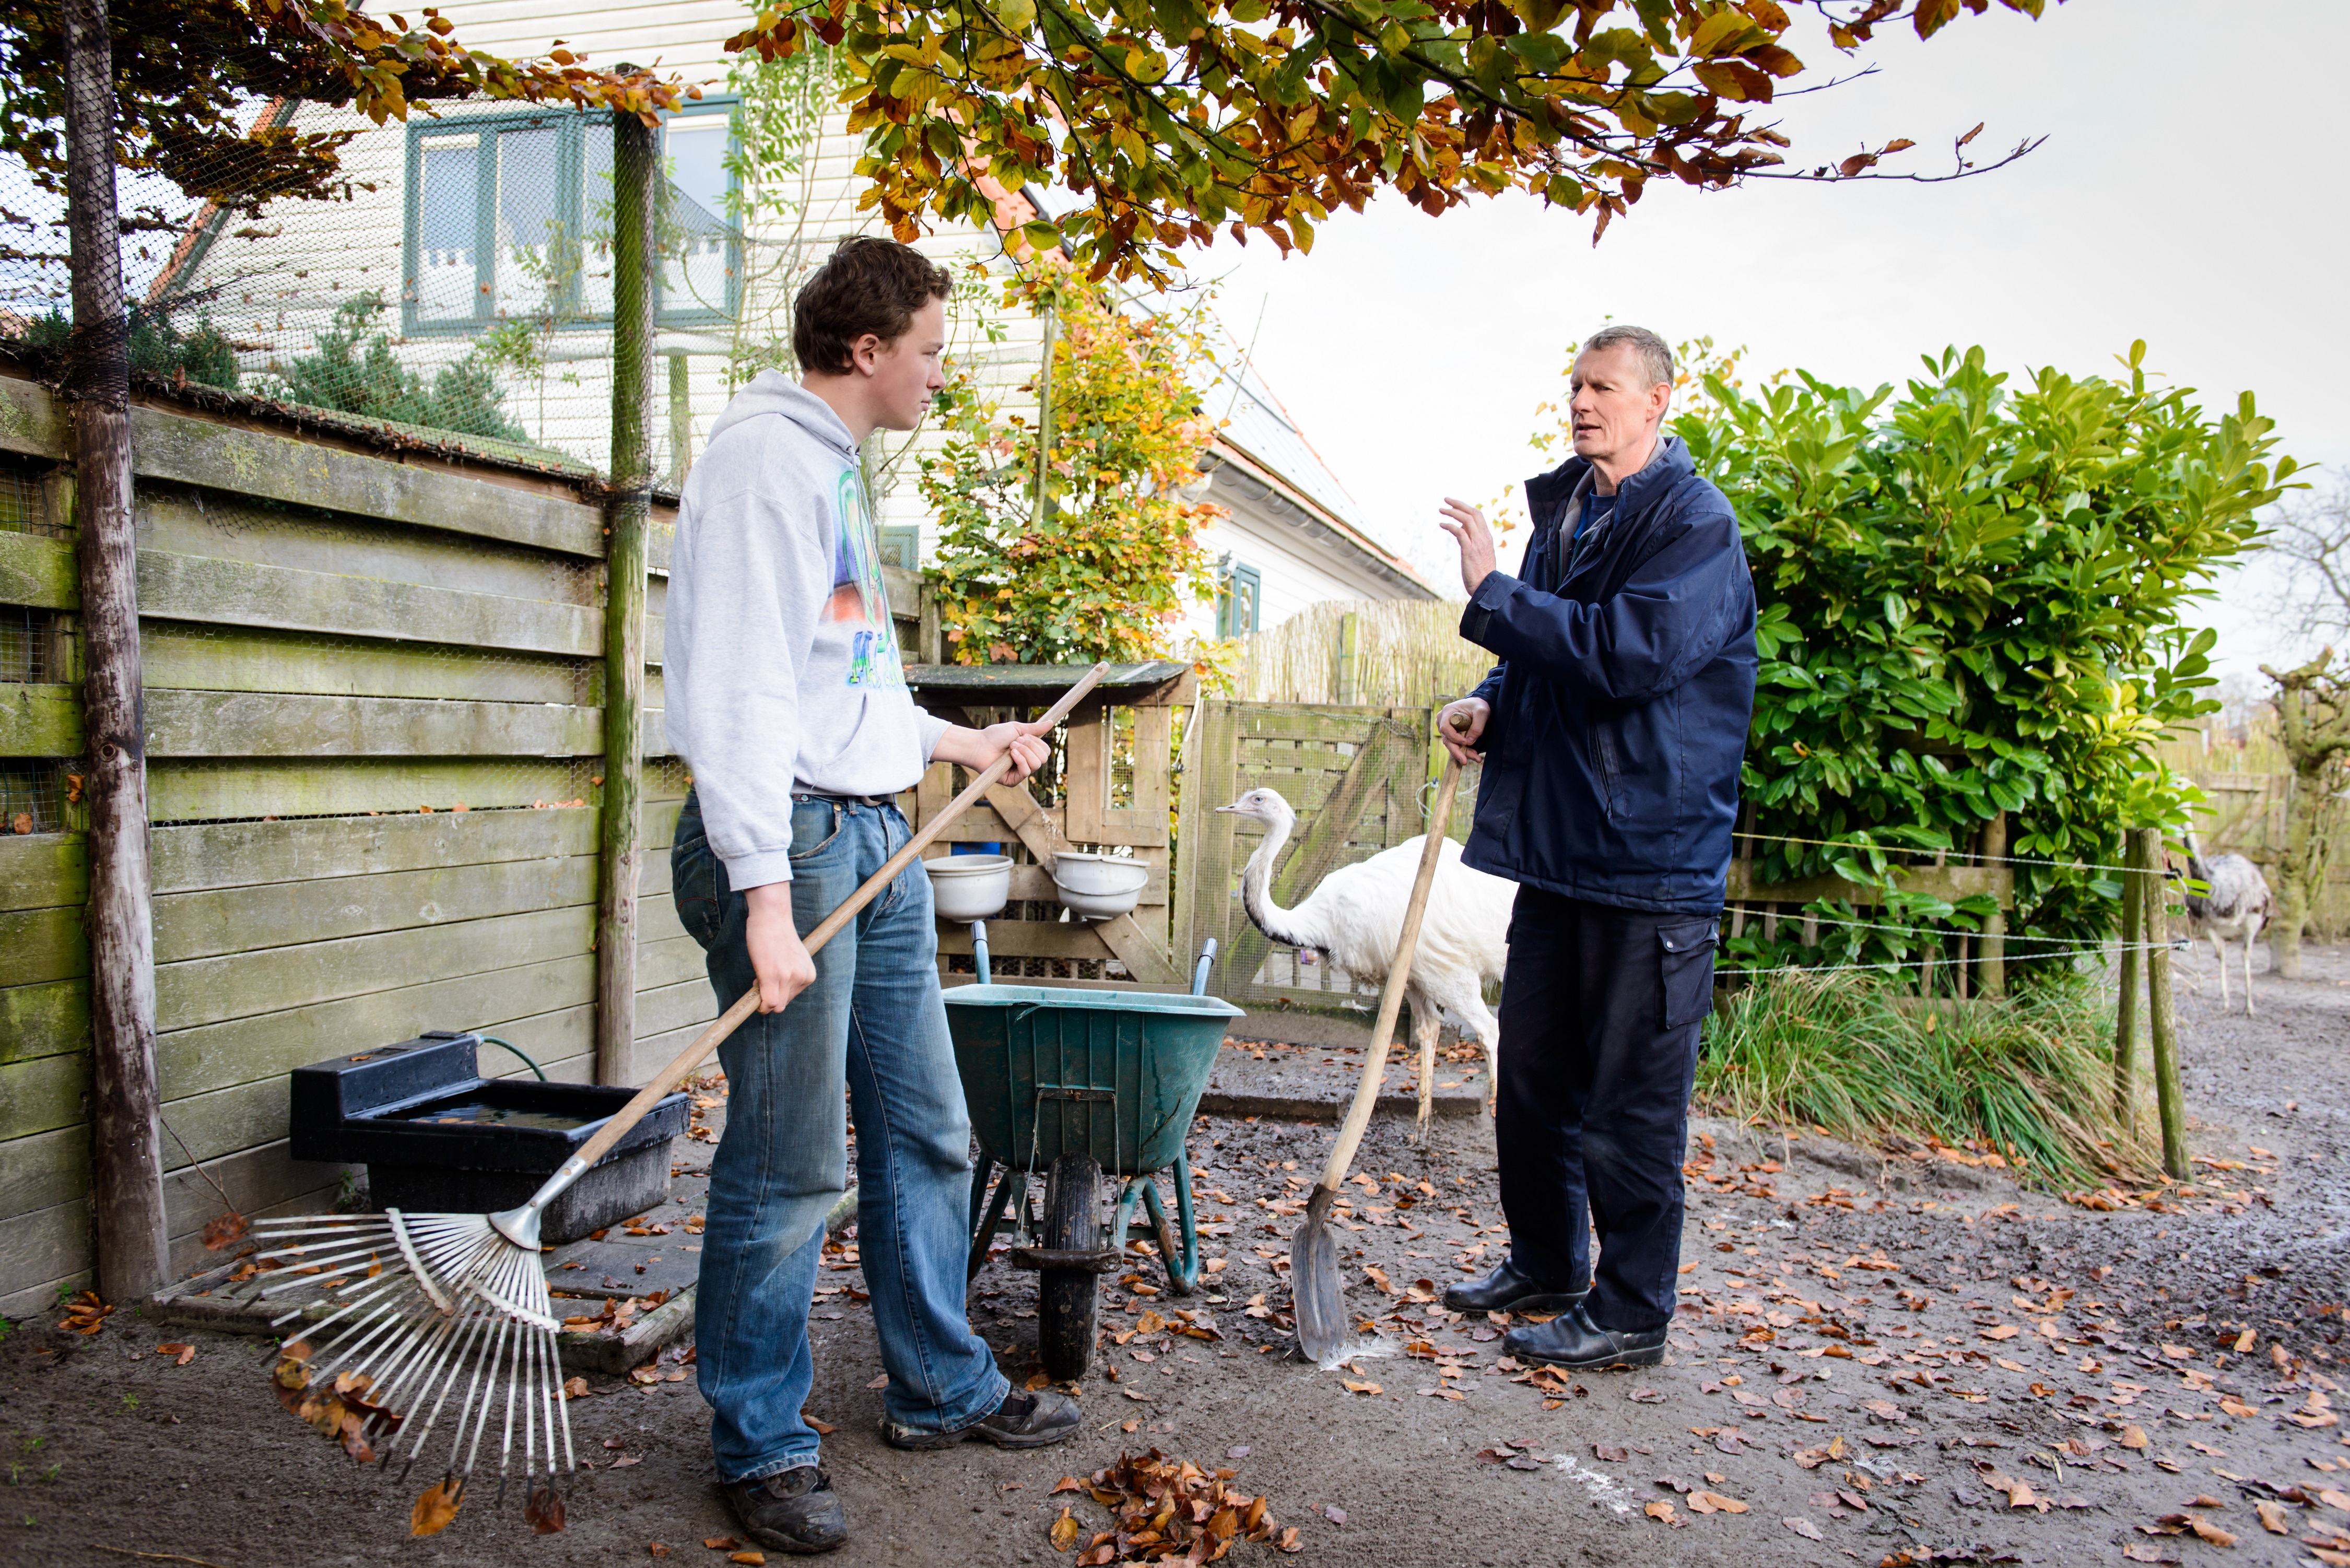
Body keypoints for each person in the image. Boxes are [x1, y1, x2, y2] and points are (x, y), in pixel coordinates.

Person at [665, 237, 1082, 1556]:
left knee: (928, 1125)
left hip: (870, 835)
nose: (939, 376)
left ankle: (938, 1382)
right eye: (933, 352)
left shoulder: (831, 467)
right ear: (867, 350)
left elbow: (839, 686)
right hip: (785, 843)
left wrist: (964, 745)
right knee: (792, 1165)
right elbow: (735, 698)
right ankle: (761, 1438)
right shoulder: (760, 463)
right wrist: (765, 901)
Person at [1432, 324, 1757, 1371]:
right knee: (1531, 1078)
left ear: (1661, 399)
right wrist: (1490, 702)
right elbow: (1548, 653)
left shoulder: (1695, 526)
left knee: (1631, 1104)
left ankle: (1627, 1312)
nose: (1582, 401)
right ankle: (1547, 1262)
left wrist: (1491, 593)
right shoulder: (1570, 513)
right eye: (1575, 383)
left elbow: (1629, 655)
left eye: (1604, 385)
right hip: (1562, 852)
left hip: (1651, 862)